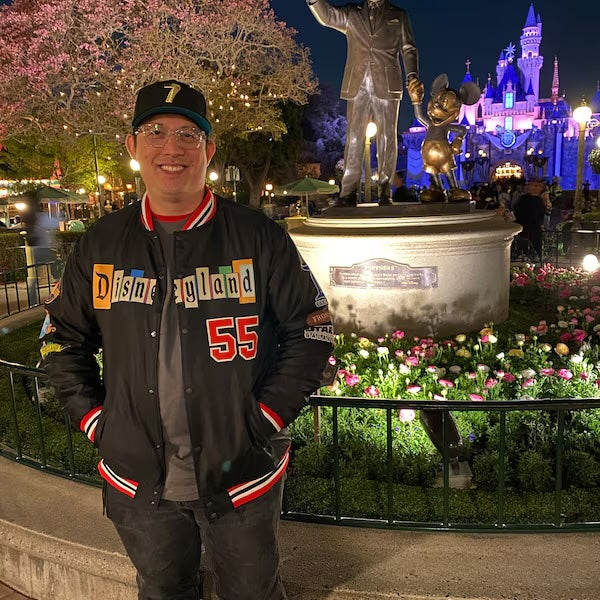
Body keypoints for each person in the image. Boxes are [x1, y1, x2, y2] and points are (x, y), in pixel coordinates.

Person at [39, 79, 334, 600]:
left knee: (253, 594)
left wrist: (260, 420)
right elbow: (60, 341)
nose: (171, 147)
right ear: (132, 147)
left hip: (241, 474)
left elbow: (312, 334)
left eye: (188, 134)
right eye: (155, 131)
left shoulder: (260, 237)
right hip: (137, 480)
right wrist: (99, 423)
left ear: (209, 149)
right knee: (163, 591)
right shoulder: (101, 243)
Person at [307, 0, 420, 206]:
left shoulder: (398, 15)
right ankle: (348, 192)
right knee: (354, 137)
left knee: (387, 137)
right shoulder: (352, 13)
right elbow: (327, 17)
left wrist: (412, 75)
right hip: (357, 83)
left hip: (387, 83)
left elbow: (408, 48)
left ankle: (385, 190)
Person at [514, 178, 546, 260]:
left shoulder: (540, 200)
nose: (536, 188)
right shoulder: (524, 199)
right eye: (534, 185)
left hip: (535, 231)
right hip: (525, 230)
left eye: (538, 186)